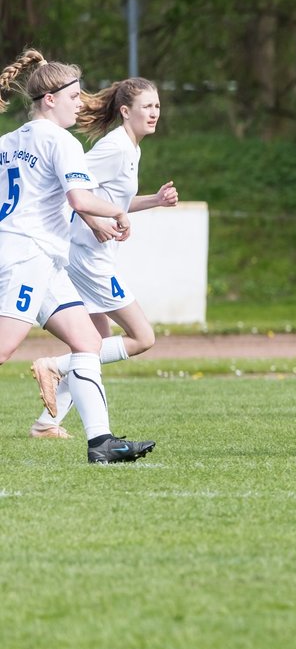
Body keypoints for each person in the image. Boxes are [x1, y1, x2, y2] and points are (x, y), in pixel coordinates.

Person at [0, 49, 155, 463]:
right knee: (3, 348)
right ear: (49, 99)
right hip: (27, 256)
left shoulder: (8, 142)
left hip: (42, 258)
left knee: (87, 340)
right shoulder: (60, 141)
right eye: (73, 95)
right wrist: (117, 210)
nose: (80, 102)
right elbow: (79, 197)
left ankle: (101, 443)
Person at [28, 77, 179, 439]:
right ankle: (55, 366)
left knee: (94, 342)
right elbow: (74, 192)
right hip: (86, 258)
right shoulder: (115, 148)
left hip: (89, 254)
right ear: (126, 111)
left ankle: (47, 423)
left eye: (157, 106)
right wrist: (94, 221)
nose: (154, 112)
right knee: (143, 337)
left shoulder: (131, 148)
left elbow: (115, 200)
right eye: (147, 106)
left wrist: (154, 201)